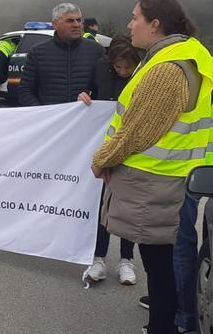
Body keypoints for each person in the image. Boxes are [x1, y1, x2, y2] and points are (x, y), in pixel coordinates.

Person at [89, 0, 213, 334]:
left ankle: (165, 325)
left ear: (155, 25)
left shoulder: (169, 68)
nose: (129, 24)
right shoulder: (190, 55)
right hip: (177, 176)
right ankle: (170, 320)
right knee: (164, 259)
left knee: (159, 263)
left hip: (157, 179)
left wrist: (101, 159)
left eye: (134, 17)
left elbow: (137, 131)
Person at [78, 35, 143, 286]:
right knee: (102, 205)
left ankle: (126, 260)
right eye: (119, 67)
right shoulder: (99, 68)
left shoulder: (145, 74)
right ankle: (98, 258)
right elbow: (86, 89)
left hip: (133, 149)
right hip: (104, 145)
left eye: (128, 68)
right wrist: (83, 96)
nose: (124, 72)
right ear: (110, 63)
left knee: (127, 206)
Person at [18, 3, 104, 106]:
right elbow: (25, 90)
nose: (76, 25)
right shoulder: (37, 53)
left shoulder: (96, 50)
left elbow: (104, 88)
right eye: (70, 21)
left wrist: (91, 101)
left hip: (84, 117)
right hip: (50, 118)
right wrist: (42, 112)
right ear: (55, 24)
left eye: (79, 20)